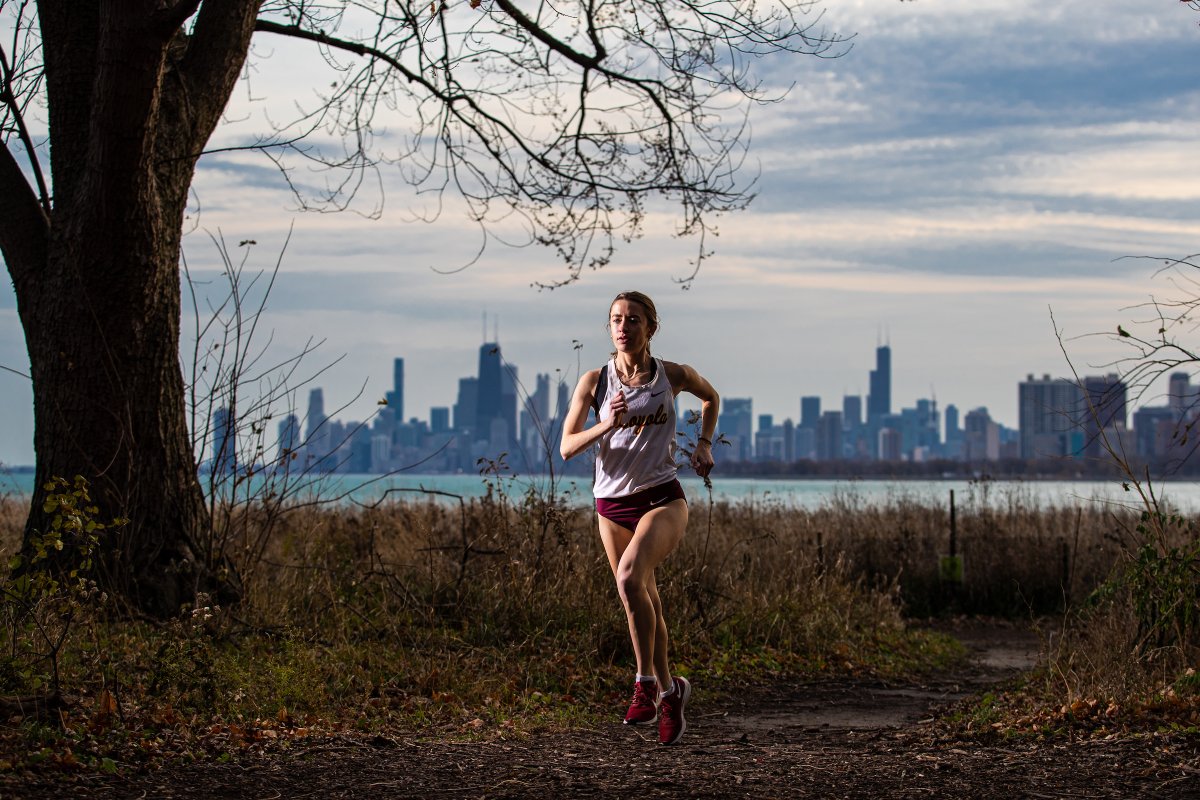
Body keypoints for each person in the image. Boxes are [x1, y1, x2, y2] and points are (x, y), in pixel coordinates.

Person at [560, 290, 719, 746]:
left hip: (662, 499)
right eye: (615, 320)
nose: (623, 327)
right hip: (611, 506)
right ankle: (672, 692)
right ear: (609, 328)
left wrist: (704, 443)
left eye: (633, 320)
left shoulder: (673, 375)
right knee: (641, 597)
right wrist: (605, 424)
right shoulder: (595, 382)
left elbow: (711, 398)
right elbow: (568, 446)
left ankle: (645, 683)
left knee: (630, 578)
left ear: (651, 328)